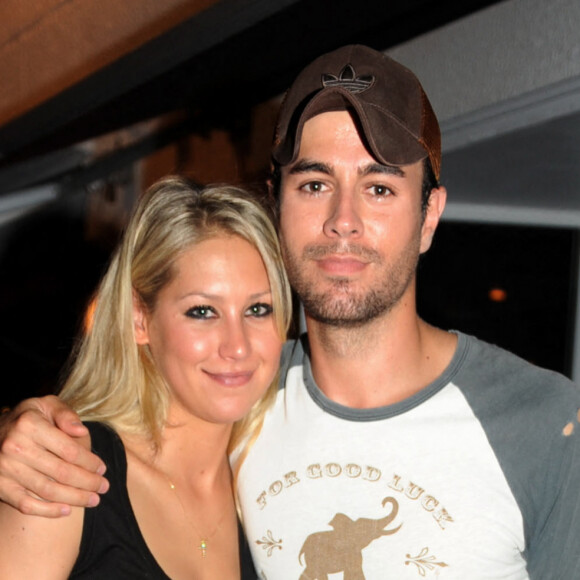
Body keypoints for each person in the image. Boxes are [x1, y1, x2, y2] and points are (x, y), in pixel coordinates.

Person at [1, 45, 580, 579]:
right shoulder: (240, 397)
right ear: (276, 201)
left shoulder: (546, 425)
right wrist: (17, 435)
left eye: (379, 188)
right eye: (314, 183)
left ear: (429, 215)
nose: (342, 219)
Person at [0, 176, 292, 579]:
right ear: (140, 320)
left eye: (259, 309)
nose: (237, 346)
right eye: (203, 311)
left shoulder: (275, 485)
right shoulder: (65, 471)